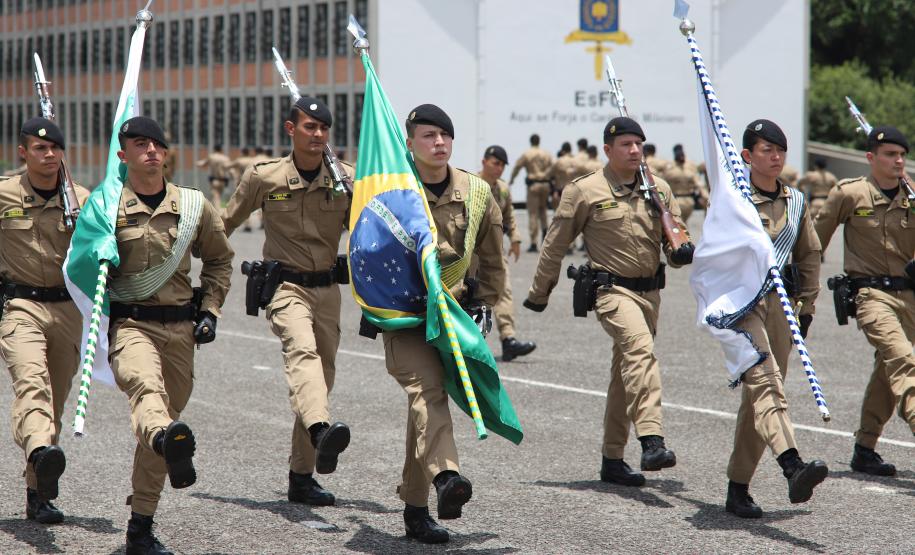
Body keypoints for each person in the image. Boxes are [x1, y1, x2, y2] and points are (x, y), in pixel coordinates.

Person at [524, 117, 695, 488]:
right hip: (611, 292)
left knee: (625, 374)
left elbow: (676, 234)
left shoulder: (659, 189)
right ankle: (651, 439)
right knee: (640, 350)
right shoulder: (585, 190)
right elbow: (555, 244)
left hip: (651, 294)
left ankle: (612, 459)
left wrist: (681, 248)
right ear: (607, 150)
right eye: (626, 145)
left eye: (639, 144)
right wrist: (540, 292)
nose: (634, 150)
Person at [107, 116, 233, 554]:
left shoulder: (195, 205)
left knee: (164, 424)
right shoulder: (105, 207)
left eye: (158, 144)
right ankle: (162, 436)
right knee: (148, 396)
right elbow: (81, 268)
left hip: (181, 330)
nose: (152, 151)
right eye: (140, 145)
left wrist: (211, 311)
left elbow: (219, 261)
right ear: (124, 156)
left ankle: (140, 524)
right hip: (131, 325)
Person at [223, 97, 354, 509]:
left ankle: (302, 476)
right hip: (285, 288)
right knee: (303, 353)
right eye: (309, 126)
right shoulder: (265, 177)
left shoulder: (345, 179)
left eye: (323, 128)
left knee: (320, 378)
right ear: (290, 129)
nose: (317, 135)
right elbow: (222, 223)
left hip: (328, 290)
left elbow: (370, 234)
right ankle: (320, 429)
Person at [384, 104, 506, 544]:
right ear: (410, 143)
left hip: (455, 317)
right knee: (428, 393)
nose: (438, 142)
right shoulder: (393, 191)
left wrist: (488, 303)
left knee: (423, 410)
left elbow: (493, 258)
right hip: (407, 318)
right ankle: (447, 479)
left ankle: (415, 512)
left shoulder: (476, 192)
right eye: (428, 135)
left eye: (444, 135)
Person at [722, 119, 828, 519]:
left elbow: (810, 255)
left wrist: (808, 307)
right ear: (747, 156)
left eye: (780, 150)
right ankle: (791, 464)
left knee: (760, 397)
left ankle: (738, 488)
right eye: (767, 150)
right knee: (767, 382)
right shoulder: (734, 199)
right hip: (742, 305)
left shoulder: (797, 202)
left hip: (782, 308)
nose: (776, 157)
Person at [0, 118, 89, 524]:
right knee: (31, 382)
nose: (49, 154)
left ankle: (37, 492)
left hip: (69, 310)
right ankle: (39, 451)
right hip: (21, 306)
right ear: (24, 152)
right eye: (39, 148)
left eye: (55, 148)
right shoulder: (3, 193)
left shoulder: (81, 200)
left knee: (53, 400)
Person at [814, 125, 915, 477]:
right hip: (871, 296)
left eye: (902, 154)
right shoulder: (850, 193)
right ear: (871, 158)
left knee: (888, 373)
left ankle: (865, 448)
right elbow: (814, 244)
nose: (898, 160)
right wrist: (803, 298)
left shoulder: (913, 196)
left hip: (910, 296)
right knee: (903, 360)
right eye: (890, 154)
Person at [476, 145, 537, 361]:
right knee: (472, 297)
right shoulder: (471, 185)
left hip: (495, 253)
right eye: (495, 163)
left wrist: (516, 239)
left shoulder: (502, 189)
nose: (499, 168)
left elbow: (509, 216)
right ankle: (471, 343)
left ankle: (508, 340)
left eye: (502, 165)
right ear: (484, 162)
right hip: (472, 256)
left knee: (504, 292)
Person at [509, 134, 553, 252]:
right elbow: (552, 168)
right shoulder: (546, 154)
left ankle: (534, 242)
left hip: (533, 185)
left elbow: (517, 167)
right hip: (545, 184)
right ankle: (545, 232)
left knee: (533, 213)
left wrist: (512, 179)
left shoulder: (527, 154)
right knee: (543, 210)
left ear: (530, 141)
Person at [660, 144, 705, 222]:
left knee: (680, 223)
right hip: (683, 200)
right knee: (681, 223)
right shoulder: (687, 170)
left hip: (682, 200)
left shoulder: (671, 170)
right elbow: (699, 184)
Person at [195, 144, 232, 209]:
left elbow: (203, 164)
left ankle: (218, 213)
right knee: (218, 197)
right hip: (223, 181)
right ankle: (216, 211)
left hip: (215, 181)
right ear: (221, 150)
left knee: (216, 198)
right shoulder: (225, 158)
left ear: (214, 149)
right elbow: (230, 169)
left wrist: (197, 163)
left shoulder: (211, 157)